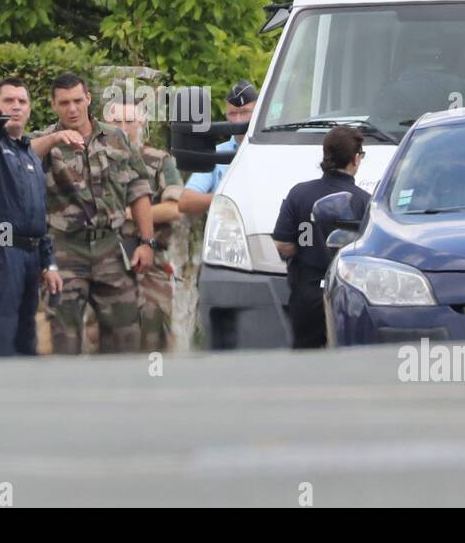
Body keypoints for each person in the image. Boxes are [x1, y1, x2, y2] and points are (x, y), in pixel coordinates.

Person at [30, 73, 156, 354]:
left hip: (111, 247)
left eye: (77, 100)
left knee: (125, 335)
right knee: (65, 338)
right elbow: (20, 155)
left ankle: (120, 395)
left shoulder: (117, 138)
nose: (72, 109)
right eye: (64, 103)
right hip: (65, 249)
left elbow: (138, 189)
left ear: (88, 99)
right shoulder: (44, 140)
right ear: (53, 105)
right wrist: (53, 139)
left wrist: (147, 242)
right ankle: (70, 396)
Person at [0, 77, 64, 356]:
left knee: (26, 343)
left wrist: (49, 263)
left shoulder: (29, 155)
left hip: (29, 257)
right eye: (8, 101)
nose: (16, 106)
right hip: (0, 253)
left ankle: (23, 399)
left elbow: (37, 216)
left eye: (22, 101)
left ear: (30, 109)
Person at [272, 126, 371, 349]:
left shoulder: (299, 193)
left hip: (307, 292)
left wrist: (306, 249)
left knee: (306, 363)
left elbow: (283, 244)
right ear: (355, 159)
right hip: (350, 293)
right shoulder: (366, 202)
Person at [103, 97, 185, 352]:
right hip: (104, 259)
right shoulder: (93, 160)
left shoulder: (159, 160)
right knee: (101, 333)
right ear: (106, 124)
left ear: (142, 123)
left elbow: (174, 208)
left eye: (130, 121)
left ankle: (156, 386)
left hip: (151, 261)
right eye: (117, 121)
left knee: (154, 331)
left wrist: (130, 213)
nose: (124, 127)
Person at [177, 79, 256, 216]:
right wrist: (227, 198)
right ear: (226, 115)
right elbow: (185, 202)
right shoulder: (216, 153)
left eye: (244, 112)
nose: (238, 121)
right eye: (232, 113)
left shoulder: (273, 149)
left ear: (257, 112)